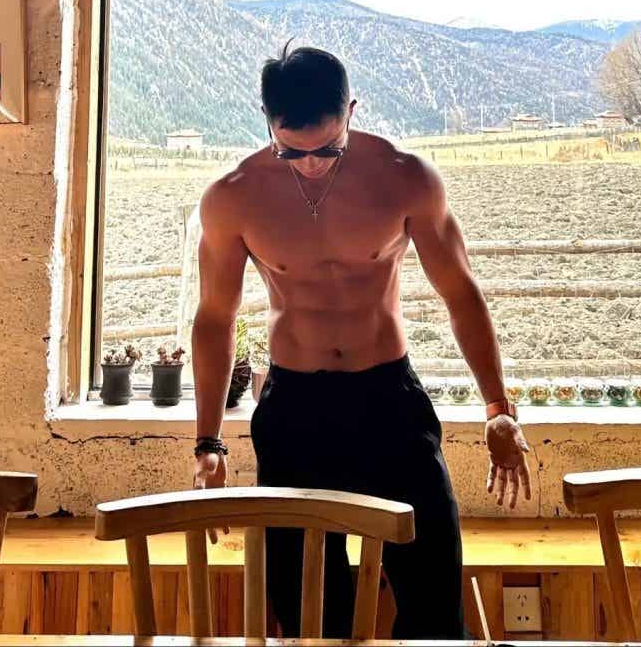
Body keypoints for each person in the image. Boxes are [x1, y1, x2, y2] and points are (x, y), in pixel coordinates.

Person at [192, 42, 532, 639]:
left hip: (388, 401)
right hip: (296, 409)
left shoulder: (405, 178)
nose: (311, 165)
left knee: (432, 599)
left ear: (351, 111)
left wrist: (498, 408)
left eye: (327, 148)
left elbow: (460, 292)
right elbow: (216, 318)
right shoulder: (233, 197)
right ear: (267, 120)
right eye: (291, 151)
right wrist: (209, 441)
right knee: (310, 613)